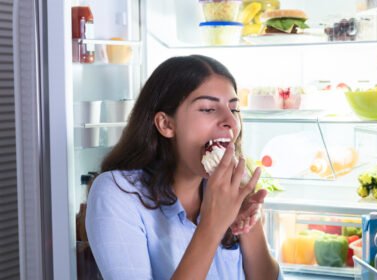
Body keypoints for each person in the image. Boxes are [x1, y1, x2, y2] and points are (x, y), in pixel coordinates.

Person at [86, 55, 283, 279]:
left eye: (234, 109)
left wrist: (249, 224)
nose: (230, 120)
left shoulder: (226, 190)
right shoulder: (117, 193)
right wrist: (212, 225)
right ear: (166, 124)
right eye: (208, 109)